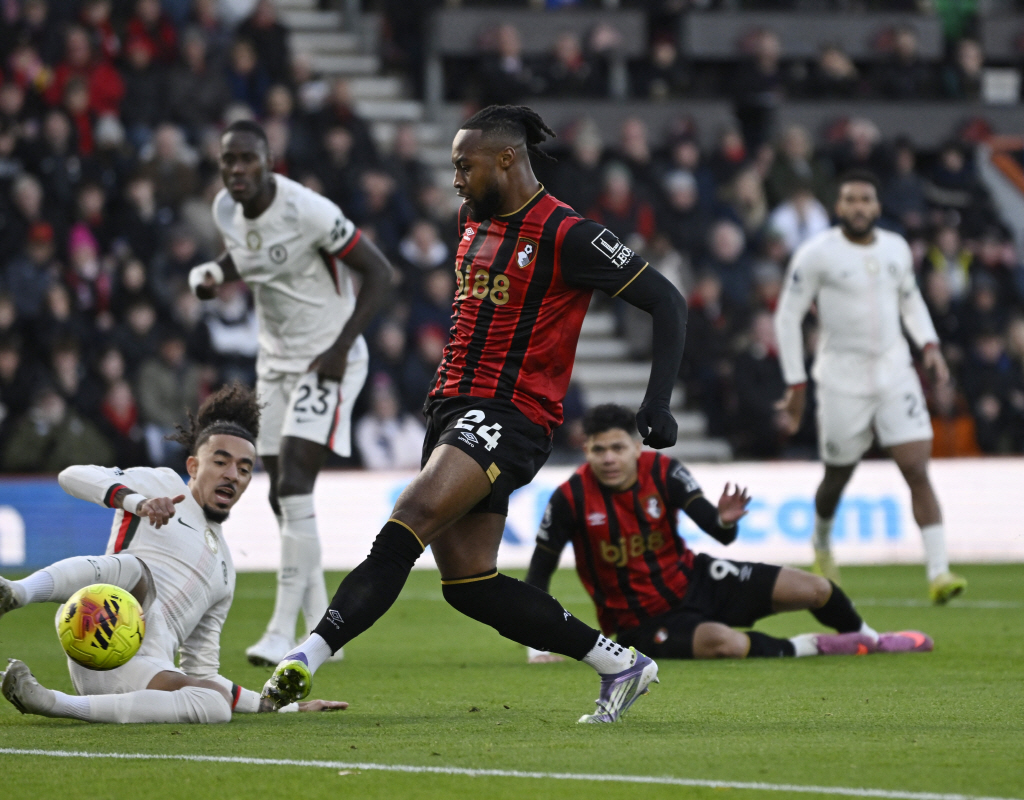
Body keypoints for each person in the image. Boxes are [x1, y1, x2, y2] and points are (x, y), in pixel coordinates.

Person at [259, 105, 686, 725]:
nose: (456, 178)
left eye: (465, 164)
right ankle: (619, 663)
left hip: (511, 414)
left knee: (411, 515)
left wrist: (658, 403)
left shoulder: (570, 235)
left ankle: (304, 656)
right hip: (451, 406)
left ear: (507, 159)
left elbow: (667, 302)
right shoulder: (471, 218)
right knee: (469, 584)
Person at [0, 384, 347, 724]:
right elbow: (71, 475)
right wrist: (136, 502)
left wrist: (280, 705)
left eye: (244, 468)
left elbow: (203, 670)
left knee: (214, 705)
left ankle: (52, 702)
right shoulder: (162, 486)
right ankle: (16, 593)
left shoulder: (226, 571)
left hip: (142, 673)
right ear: (193, 466)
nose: (233, 474)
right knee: (136, 570)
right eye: (221, 462)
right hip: (97, 622)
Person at [188, 120, 394, 667]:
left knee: (296, 481)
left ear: (269, 160)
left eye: (247, 160)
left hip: (330, 359)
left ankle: (283, 633)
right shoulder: (225, 212)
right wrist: (215, 272)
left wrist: (340, 346)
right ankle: (325, 624)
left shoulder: (309, 211)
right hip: (274, 362)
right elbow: (247, 256)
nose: (236, 171)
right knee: (282, 495)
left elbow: (381, 274)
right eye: (227, 161)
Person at [523, 404, 932, 663]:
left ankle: (869, 639)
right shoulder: (570, 497)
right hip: (639, 620)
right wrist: (538, 643)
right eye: (598, 450)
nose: (609, 459)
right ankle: (814, 645)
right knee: (728, 644)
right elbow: (540, 570)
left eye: (617, 448)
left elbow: (719, 535)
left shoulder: (664, 471)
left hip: (697, 580)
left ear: (636, 448)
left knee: (815, 589)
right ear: (585, 451)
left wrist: (726, 520)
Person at [773, 170, 966, 604]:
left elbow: (910, 298)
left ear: (877, 206)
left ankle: (939, 572)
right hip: (841, 379)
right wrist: (795, 382)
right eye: (850, 200)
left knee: (916, 467)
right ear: (839, 207)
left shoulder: (897, 248)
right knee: (837, 477)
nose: (859, 207)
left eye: (866, 199)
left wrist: (930, 345)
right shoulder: (817, 253)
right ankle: (822, 542)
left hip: (895, 371)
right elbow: (787, 316)